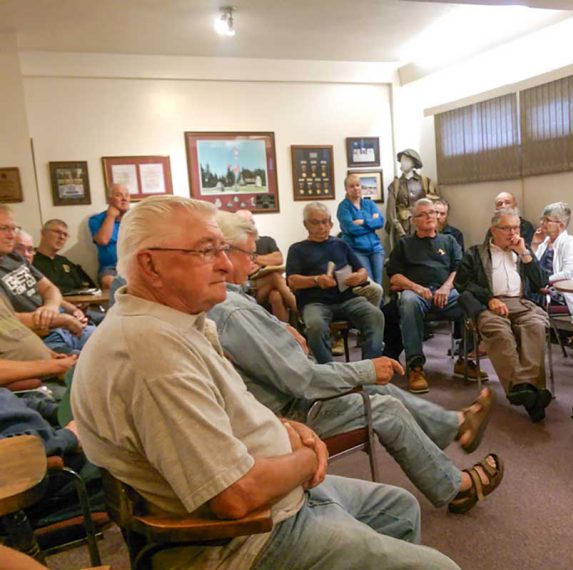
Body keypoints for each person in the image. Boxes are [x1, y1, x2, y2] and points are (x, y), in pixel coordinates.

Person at [70, 195, 459, 569]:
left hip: (278, 487)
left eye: (225, 249)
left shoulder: (180, 324)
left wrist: (286, 428)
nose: (225, 264)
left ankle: (451, 437)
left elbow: (236, 408)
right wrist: (308, 456)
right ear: (150, 265)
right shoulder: (152, 353)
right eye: (206, 251)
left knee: (398, 506)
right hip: (246, 538)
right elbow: (235, 496)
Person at [209, 211, 504, 514]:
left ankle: (456, 425)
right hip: (290, 411)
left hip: (305, 367)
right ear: (224, 254)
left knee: (377, 360)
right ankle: (456, 486)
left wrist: (280, 325)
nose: (255, 262)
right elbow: (303, 380)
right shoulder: (236, 308)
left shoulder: (232, 300)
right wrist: (367, 368)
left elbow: (362, 274)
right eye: (250, 253)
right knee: (383, 406)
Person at [456, 208, 552, 422]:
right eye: (507, 228)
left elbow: (541, 282)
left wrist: (525, 254)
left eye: (516, 227)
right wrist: (489, 299)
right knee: (499, 331)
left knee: (535, 325)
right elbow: (462, 284)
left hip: (521, 302)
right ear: (493, 230)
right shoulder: (474, 253)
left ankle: (522, 388)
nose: (513, 233)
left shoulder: (522, 252)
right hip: (489, 304)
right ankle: (532, 393)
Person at [387, 198, 485, 393]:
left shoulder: (448, 241)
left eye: (432, 212)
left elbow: (459, 269)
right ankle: (415, 366)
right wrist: (416, 288)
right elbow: (394, 277)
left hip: (446, 293)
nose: (429, 217)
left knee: (473, 299)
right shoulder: (404, 244)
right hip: (417, 294)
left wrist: (446, 288)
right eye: (422, 214)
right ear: (413, 220)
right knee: (407, 302)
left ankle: (464, 359)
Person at [286, 202, 384, 364]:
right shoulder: (297, 249)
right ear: (306, 225)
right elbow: (292, 281)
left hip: (347, 299)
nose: (322, 227)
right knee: (315, 325)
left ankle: (370, 367)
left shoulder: (340, 244)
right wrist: (316, 280)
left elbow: (362, 270)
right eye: (316, 222)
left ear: (331, 223)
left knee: (375, 315)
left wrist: (358, 277)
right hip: (315, 302)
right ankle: (328, 371)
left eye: (325, 221)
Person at [0, 206, 94, 354]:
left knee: (118, 343)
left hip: (65, 326)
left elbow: (50, 288)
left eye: (13, 229)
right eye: (3, 228)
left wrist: (51, 307)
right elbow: (6, 322)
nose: (11, 235)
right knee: (87, 366)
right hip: (40, 338)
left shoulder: (14, 257)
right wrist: (61, 320)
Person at [234, 208, 298, 323]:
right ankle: (299, 310)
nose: (251, 226)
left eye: (252, 222)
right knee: (275, 277)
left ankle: (283, 333)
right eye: (247, 223)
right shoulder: (235, 245)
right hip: (248, 288)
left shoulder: (266, 241)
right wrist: (265, 261)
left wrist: (255, 260)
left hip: (266, 287)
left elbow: (278, 258)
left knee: (276, 296)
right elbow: (244, 270)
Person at [531, 202, 573, 315]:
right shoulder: (543, 243)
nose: (541, 223)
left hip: (558, 294)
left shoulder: (571, 243)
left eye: (547, 220)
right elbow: (531, 268)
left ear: (561, 225)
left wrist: (543, 281)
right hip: (539, 290)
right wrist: (535, 244)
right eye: (542, 219)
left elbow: (567, 273)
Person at [385, 149, 439, 249]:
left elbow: (434, 205)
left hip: (423, 226)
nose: (402, 163)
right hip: (403, 227)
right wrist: (399, 228)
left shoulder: (425, 182)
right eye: (401, 160)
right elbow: (390, 212)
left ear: (414, 162)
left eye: (406, 160)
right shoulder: (395, 185)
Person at [337, 173, 385, 285]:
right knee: (369, 283)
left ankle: (380, 303)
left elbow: (380, 222)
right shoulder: (343, 207)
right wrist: (371, 224)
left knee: (379, 283)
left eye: (358, 185)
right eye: (352, 186)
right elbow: (350, 229)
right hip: (357, 250)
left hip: (376, 249)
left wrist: (363, 222)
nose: (356, 188)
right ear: (346, 188)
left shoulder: (369, 203)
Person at [33, 219, 97, 294]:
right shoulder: (30, 260)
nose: (62, 237)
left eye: (65, 235)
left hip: (76, 302)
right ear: (43, 233)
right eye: (57, 232)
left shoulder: (64, 262)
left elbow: (89, 286)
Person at [88, 183, 130, 290]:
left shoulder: (136, 218)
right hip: (111, 268)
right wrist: (110, 216)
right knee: (109, 282)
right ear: (109, 199)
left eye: (127, 195)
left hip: (135, 266)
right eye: (119, 195)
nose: (124, 199)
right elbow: (103, 240)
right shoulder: (96, 220)